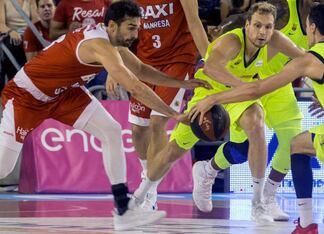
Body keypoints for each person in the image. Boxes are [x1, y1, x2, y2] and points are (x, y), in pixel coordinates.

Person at [189, 4, 324, 234]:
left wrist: (213, 98)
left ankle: (305, 225)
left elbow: (256, 89)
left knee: (297, 145)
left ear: (312, 27)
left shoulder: (309, 59)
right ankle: (255, 192)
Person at [0, 1, 208, 231]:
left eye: (137, 27)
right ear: (111, 25)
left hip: (65, 93)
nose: (135, 34)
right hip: (27, 96)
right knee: (3, 168)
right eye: (130, 27)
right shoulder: (99, 45)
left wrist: (181, 83)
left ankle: (123, 209)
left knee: (111, 131)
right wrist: (173, 114)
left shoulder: (114, 42)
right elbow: (136, 86)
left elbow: (139, 70)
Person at [132, 2, 304, 223]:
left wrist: (323, 84)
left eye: (268, 27)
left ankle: (258, 204)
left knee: (256, 122)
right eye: (258, 26)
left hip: (237, 96)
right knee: (172, 151)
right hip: (209, 92)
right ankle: (141, 195)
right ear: (248, 24)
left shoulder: (275, 39)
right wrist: (242, 85)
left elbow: (305, 58)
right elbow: (211, 68)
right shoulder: (232, 41)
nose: (263, 32)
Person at [192, 0, 324, 221]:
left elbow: (307, 60)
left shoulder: (322, 20)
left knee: (293, 140)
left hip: (278, 84)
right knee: (241, 150)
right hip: (246, 83)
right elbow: (246, 21)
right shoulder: (282, 8)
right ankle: (208, 169)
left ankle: (267, 199)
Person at [105, 0, 209, 211]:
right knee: (138, 128)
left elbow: (195, 23)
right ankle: (148, 175)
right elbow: (117, 30)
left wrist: (211, 60)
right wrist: (112, 67)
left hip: (178, 59)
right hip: (145, 61)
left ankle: (149, 191)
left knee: (158, 121)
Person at [0, 0, 39, 94]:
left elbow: (36, 20)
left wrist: (29, 34)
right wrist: (10, 31)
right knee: (13, 45)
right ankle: (14, 87)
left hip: (28, 34)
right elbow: (1, 24)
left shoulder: (31, 1)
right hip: (11, 35)